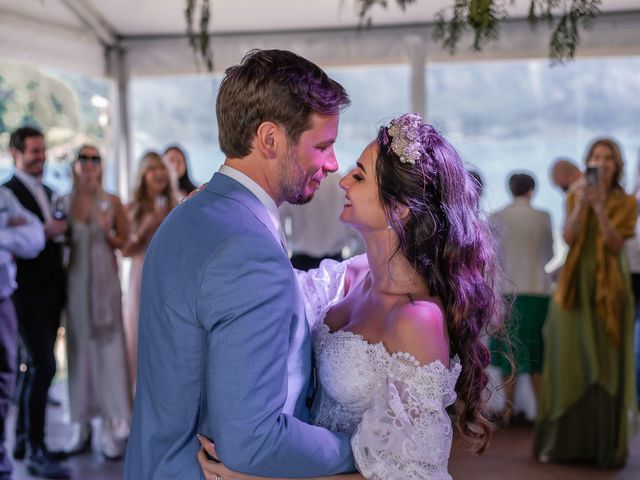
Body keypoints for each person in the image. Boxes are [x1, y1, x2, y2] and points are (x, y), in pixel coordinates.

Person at [198, 113, 505, 480]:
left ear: (399, 209)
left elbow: (408, 473)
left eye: (359, 175)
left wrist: (256, 479)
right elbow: (271, 289)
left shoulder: (418, 319)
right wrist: (223, 211)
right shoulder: (349, 275)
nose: (342, 180)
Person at [123, 49, 354, 479]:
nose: (333, 163)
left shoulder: (190, 215)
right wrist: (366, 449)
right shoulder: (247, 249)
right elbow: (254, 440)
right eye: (322, 145)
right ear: (270, 139)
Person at [534, 138, 638, 468]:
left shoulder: (627, 202)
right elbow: (569, 236)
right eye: (596, 157)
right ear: (588, 161)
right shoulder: (576, 193)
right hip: (575, 284)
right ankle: (563, 443)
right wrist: (581, 204)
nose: (602, 162)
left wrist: (600, 209)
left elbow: (613, 242)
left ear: (617, 164)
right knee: (568, 358)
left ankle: (601, 445)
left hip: (611, 286)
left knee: (606, 361)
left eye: (608, 157)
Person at [3, 126, 70, 479]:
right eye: (33, 151)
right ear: (16, 153)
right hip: (24, 296)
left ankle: (23, 438)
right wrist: (42, 232)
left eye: (43, 150)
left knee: (35, 368)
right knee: (43, 367)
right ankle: (36, 449)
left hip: (50, 292)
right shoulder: (6, 194)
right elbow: (14, 242)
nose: (41, 156)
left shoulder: (51, 191)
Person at [64, 145, 132, 459]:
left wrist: (108, 233)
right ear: (75, 165)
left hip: (105, 282)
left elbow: (125, 242)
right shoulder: (65, 202)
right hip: (76, 284)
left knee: (109, 351)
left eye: (95, 159)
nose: (90, 164)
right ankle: (82, 425)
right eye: (84, 158)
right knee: (80, 351)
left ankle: (110, 425)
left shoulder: (113, 201)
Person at [489, 172, 554, 424]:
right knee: (536, 350)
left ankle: (507, 410)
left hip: (507, 291)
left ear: (510, 189)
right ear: (532, 190)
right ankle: (542, 412)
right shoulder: (543, 217)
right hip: (537, 291)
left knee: (508, 349)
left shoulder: (496, 217)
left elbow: (492, 259)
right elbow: (549, 255)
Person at [121, 151, 177, 391]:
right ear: (143, 175)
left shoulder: (179, 204)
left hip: (172, 280)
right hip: (142, 277)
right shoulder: (132, 208)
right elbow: (124, 250)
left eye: (162, 168)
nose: (159, 174)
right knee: (139, 338)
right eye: (153, 169)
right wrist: (145, 227)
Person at [0, 187, 44, 480]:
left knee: (5, 378)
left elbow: (35, 238)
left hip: (3, 299)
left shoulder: (4, 197)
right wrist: (7, 235)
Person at [280, 172, 363, 270]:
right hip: (334, 260)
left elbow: (280, 219)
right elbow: (353, 223)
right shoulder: (340, 183)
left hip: (302, 261)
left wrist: (286, 246)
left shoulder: (296, 184)